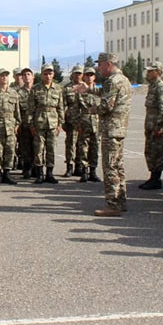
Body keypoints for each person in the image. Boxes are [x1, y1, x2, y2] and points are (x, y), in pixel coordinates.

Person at [79, 53, 130, 217]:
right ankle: (121, 201)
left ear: (108, 64)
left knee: (110, 168)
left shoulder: (112, 81)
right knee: (118, 166)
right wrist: (90, 89)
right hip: (119, 129)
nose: (98, 68)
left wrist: (92, 109)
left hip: (111, 130)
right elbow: (108, 95)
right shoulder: (123, 79)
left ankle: (112, 205)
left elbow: (106, 106)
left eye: (100, 65)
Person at [29, 63, 65, 184]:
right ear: (42, 74)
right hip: (39, 122)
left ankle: (50, 173)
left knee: (51, 149)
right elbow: (30, 109)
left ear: (53, 74)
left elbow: (60, 108)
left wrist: (60, 124)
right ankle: (39, 174)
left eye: (50, 73)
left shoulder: (58, 89)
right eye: (45, 74)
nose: (48, 76)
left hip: (53, 123)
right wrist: (31, 125)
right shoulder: (35, 89)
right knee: (39, 149)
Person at [139, 61, 163, 190]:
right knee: (150, 152)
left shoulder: (160, 87)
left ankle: (156, 179)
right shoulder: (152, 86)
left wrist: (159, 126)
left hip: (157, 127)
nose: (148, 73)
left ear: (158, 72)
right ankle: (153, 177)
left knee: (157, 153)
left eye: (151, 71)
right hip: (150, 126)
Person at [75, 67, 101, 183]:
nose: (89, 77)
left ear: (94, 77)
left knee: (94, 148)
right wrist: (77, 125)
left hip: (96, 124)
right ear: (84, 77)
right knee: (83, 148)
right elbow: (75, 110)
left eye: (92, 75)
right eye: (87, 75)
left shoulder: (99, 92)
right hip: (84, 123)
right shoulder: (80, 91)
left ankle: (93, 171)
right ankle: (84, 171)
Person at [63, 65, 84, 177]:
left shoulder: (86, 87)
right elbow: (63, 106)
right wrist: (63, 121)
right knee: (70, 145)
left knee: (81, 145)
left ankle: (79, 166)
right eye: (76, 73)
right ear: (72, 74)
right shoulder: (67, 88)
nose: (77, 75)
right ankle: (69, 167)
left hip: (83, 122)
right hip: (71, 122)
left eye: (79, 73)